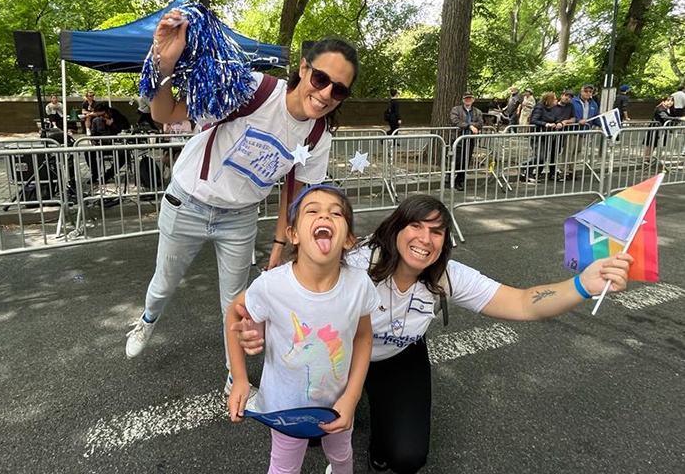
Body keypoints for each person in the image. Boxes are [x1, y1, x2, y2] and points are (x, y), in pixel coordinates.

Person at [234, 194, 633, 474]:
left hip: (395, 357)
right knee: (314, 432)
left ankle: (378, 438)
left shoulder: (446, 276)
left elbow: (524, 302)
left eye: (437, 231)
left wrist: (582, 284)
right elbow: (296, 287)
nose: (425, 238)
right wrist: (255, 331)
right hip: (338, 355)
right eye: (415, 226)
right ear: (394, 229)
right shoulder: (355, 261)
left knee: (406, 457)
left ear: (445, 242)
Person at [124, 6, 360, 373]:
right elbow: (165, 114)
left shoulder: (318, 134)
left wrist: (282, 244)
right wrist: (163, 65)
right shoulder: (252, 89)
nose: (326, 93)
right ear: (303, 69)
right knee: (163, 284)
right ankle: (148, 320)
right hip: (187, 201)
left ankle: (235, 378)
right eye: (320, 79)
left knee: (235, 303)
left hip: (239, 218)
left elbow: (296, 193)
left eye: (339, 89)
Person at [226, 184, 378, 474]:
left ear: (348, 239)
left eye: (336, 212)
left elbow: (363, 336)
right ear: (293, 234)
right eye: (313, 211)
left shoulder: (359, 284)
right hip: (285, 409)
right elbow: (235, 310)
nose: (325, 216)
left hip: (338, 403)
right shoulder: (272, 285)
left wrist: (352, 396)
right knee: (284, 467)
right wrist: (240, 379)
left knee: (342, 456)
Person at [86, 102, 132, 184]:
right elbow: (93, 134)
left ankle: (108, 175)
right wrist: (94, 142)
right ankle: (95, 174)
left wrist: (112, 125)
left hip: (116, 145)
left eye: (103, 115)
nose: (101, 118)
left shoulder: (120, 118)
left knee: (124, 153)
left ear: (108, 111)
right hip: (102, 145)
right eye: (98, 116)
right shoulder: (96, 121)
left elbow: (126, 131)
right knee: (88, 153)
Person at [522, 91, 561, 183]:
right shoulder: (539, 107)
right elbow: (534, 120)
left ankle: (531, 174)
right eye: (554, 99)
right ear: (549, 100)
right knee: (539, 156)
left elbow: (555, 118)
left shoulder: (553, 108)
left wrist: (559, 122)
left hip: (547, 136)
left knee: (543, 157)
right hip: (537, 135)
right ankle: (523, 166)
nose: (556, 100)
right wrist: (546, 124)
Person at [448, 92, 484, 191]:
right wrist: (469, 126)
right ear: (463, 100)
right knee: (456, 159)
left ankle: (459, 181)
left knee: (465, 161)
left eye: (470, 98)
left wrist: (471, 125)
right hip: (458, 138)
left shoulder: (477, 111)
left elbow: (480, 123)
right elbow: (455, 121)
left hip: (470, 139)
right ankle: (449, 175)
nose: (468, 100)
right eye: (466, 98)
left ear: (473, 100)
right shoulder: (456, 109)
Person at [547, 90, 576, 181]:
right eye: (566, 95)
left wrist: (565, 122)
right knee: (545, 153)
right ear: (562, 95)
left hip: (562, 132)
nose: (567, 98)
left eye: (569, 97)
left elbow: (573, 119)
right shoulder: (553, 105)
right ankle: (544, 172)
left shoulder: (570, 106)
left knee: (556, 152)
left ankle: (553, 173)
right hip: (550, 130)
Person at [644, 96, 684, 162]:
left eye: (671, 101)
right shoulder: (660, 109)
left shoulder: (669, 109)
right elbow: (665, 117)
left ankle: (649, 158)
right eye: (668, 101)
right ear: (663, 101)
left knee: (654, 144)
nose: (670, 102)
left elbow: (671, 117)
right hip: (654, 128)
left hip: (660, 129)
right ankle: (646, 159)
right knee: (650, 144)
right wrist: (679, 118)